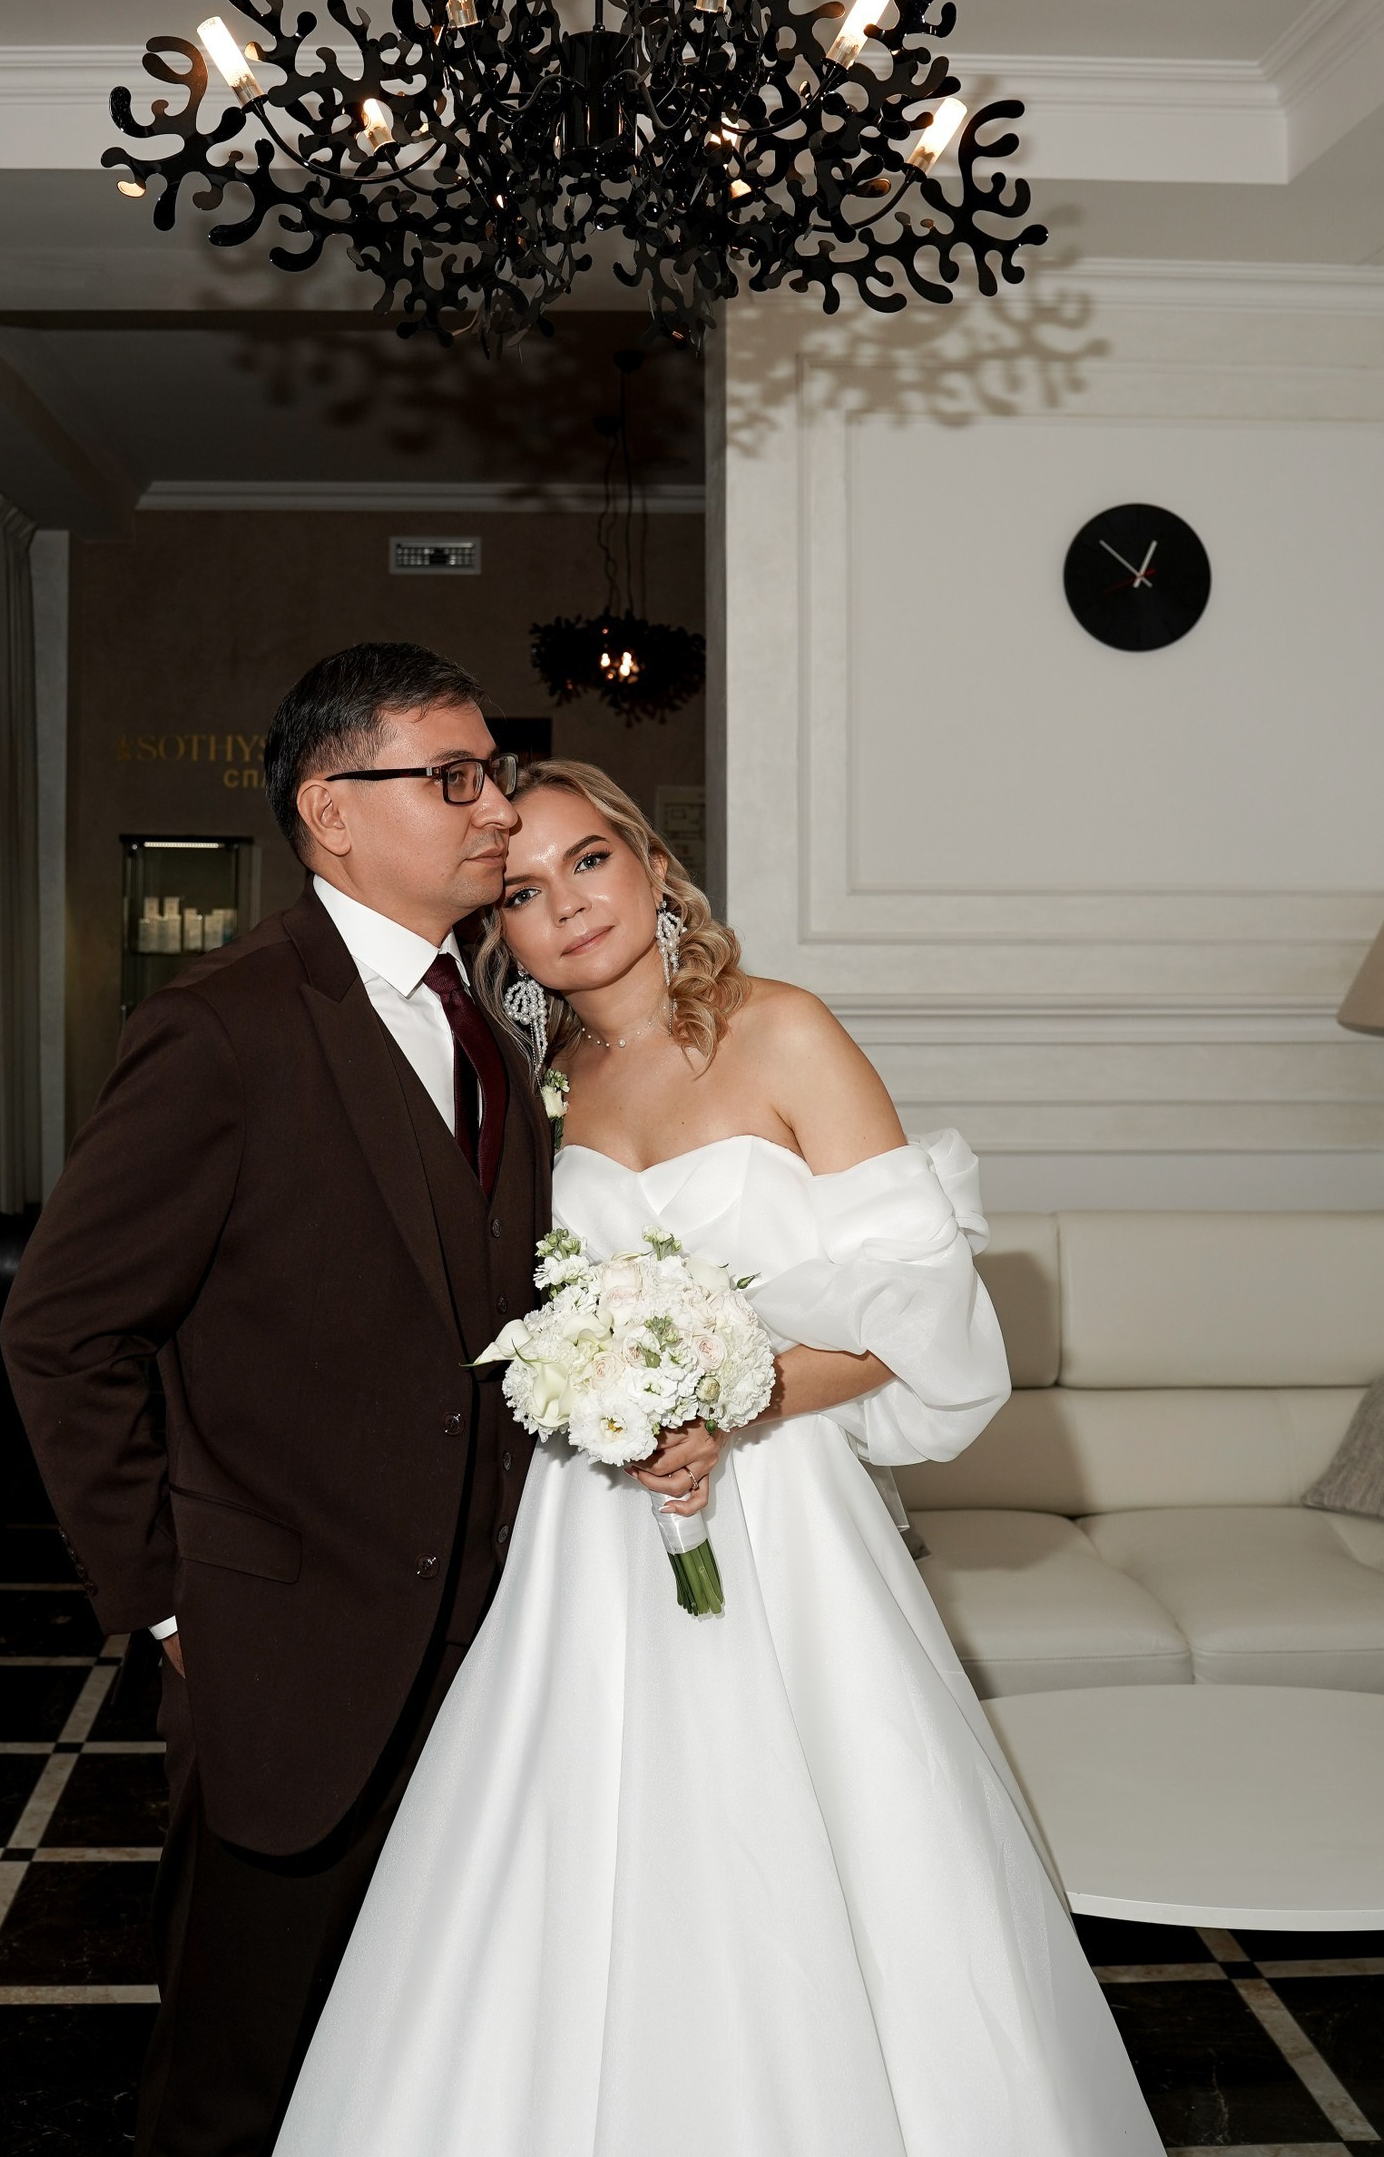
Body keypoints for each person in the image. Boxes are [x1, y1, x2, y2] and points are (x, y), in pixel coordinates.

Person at [273, 758, 1160, 2157]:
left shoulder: (784, 1031)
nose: (568, 905)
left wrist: (728, 1407)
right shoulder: (527, 1089)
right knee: (568, 1854)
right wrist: (600, 1404)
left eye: (589, 861)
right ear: (499, 934)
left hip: (785, 1513)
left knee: (819, 1842)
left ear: (652, 866)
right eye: (523, 891)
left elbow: (922, 1327)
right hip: (587, 1532)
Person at [0, 644, 551, 2157]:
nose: (497, 808)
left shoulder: (489, 1019)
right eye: (453, 777)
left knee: (421, 2043)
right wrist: (168, 1601)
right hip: (286, 1649)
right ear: (332, 809)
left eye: (495, 773)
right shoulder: (225, 1025)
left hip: (486, 1642)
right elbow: (61, 1329)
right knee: (240, 2070)